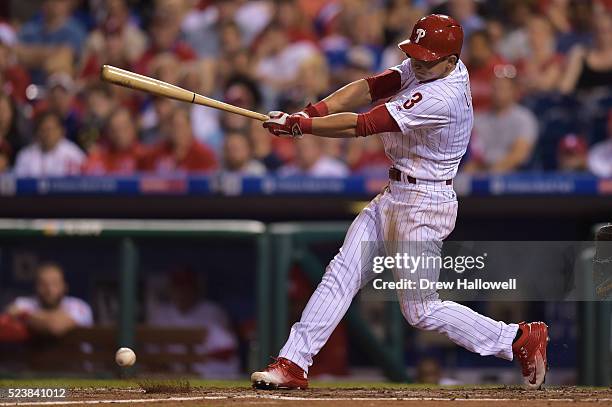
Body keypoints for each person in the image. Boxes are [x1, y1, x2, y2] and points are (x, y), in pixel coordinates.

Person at [251, 14, 548, 390]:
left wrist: (301, 127)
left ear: (451, 61)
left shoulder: (443, 94)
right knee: (342, 272)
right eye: (416, 55)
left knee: (420, 310)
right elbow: (370, 86)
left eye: (427, 59)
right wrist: (311, 112)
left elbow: (363, 124)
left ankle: (517, 339)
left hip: (425, 203)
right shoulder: (430, 65)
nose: (418, 63)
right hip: (395, 193)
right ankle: (293, 362)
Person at [147, 268, 240, 378]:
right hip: (169, 369)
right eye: (178, 287)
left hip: (205, 367)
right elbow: (150, 351)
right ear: (170, 289)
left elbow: (227, 348)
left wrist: (195, 360)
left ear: (196, 289)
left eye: (187, 287)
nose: (182, 292)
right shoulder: (161, 313)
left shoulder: (211, 311)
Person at [463, 76, 538, 173]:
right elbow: (472, 153)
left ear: (514, 92)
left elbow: (519, 154)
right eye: (495, 88)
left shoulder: (524, 118)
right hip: (482, 170)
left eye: (503, 89)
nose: (498, 92)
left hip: (513, 174)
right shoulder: (478, 118)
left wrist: (495, 171)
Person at [4, 262, 93, 337]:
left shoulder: (79, 306)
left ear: (65, 287)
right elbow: (9, 313)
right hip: (33, 357)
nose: (49, 290)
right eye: (43, 284)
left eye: (55, 283)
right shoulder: (24, 302)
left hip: (74, 357)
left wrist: (24, 315)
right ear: (36, 287)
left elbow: (55, 327)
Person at [138, 107, 217, 174]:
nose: (177, 131)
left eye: (181, 126)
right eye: (173, 126)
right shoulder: (157, 153)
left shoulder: (204, 154)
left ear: (190, 128)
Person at [14, 111, 85, 177]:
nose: (48, 134)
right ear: (37, 132)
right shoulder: (25, 156)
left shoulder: (73, 153)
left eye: (51, 129)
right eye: (43, 130)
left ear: (61, 131)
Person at [83, 108, 143, 175]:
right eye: (114, 130)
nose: (120, 134)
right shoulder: (98, 158)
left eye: (124, 128)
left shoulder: (146, 156)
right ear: (108, 132)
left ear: (133, 127)